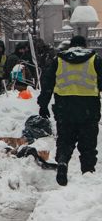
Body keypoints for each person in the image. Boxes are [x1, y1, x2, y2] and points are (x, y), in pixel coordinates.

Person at [38, 35, 102, 186]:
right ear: (84, 45)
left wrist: (43, 104)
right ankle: (88, 173)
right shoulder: (95, 59)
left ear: (71, 45)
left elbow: (47, 82)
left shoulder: (59, 60)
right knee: (88, 145)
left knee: (65, 140)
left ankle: (62, 162)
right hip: (88, 108)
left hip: (64, 108)